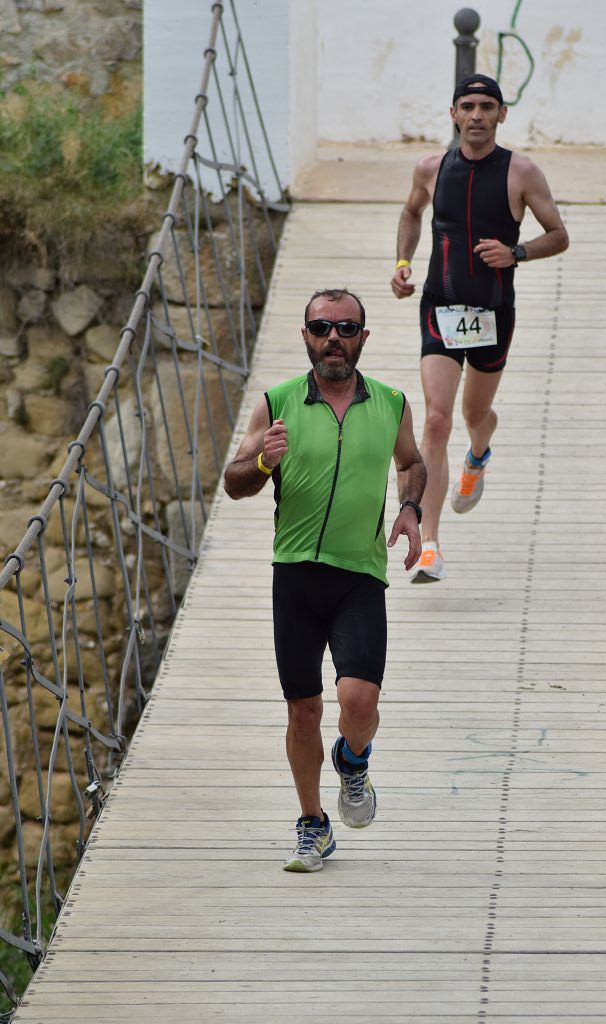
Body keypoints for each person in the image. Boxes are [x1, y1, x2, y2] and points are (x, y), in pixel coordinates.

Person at [224, 288, 426, 872]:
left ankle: (354, 761)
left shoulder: (391, 402)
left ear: (364, 337)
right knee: (303, 710)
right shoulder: (277, 403)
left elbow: (412, 462)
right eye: (321, 327)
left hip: (360, 575)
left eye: (345, 327)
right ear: (306, 335)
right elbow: (234, 482)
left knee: (358, 700)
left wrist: (410, 509)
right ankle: (313, 824)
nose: (332, 337)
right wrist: (263, 461)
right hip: (295, 577)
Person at [391, 74, 569, 583]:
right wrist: (402, 260)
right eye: (467, 106)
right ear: (452, 114)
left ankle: (480, 451)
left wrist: (516, 252)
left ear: (501, 115)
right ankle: (431, 545)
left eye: (486, 106)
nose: (476, 115)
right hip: (439, 309)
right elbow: (410, 211)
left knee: (474, 414)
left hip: (492, 313)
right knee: (436, 420)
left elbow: (559, 235)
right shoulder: (430, 168)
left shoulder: (521, 172)